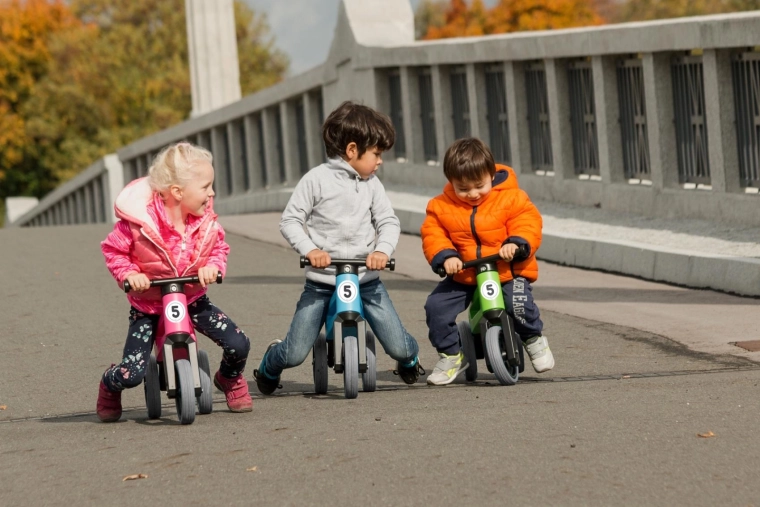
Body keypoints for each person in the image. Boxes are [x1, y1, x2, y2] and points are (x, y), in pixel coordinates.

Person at [253, 101, 424, 394]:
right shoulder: (315, 180)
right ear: (352, 150)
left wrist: (381, 251)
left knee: (400, 347)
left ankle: (409, 360)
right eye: (376, 154)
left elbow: (388, 221)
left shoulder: (372, 185)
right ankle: (271, 361)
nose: (380, 161)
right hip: (322, 283)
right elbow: (291, 220)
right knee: (294, 353)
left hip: (366, 281)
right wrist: (310, 250)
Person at [97, 142, 252, 422]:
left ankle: (229, 378)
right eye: (205, 187)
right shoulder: (138, 223)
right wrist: (129, 274)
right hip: (148, 306)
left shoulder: (205, 222)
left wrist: (212, 267)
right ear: (178, 192)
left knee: (238, 343)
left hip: (191, 299)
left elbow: (218, 248)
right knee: (132, 372)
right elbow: (114, 250)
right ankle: (110, 384)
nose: (212, 193)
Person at [421, 137, 554, 386]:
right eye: (463, 188)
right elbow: (433, 234)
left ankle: (533, 339)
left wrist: (515, 243)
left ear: (491, 175)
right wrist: (447, 256)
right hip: (464, 273)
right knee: (436, 307)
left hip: (506, 270)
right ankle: (451, 355)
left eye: (479, 185)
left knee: (519, 303)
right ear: (451, 181)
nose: (472, 193)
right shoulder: (440, 206)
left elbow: (528, 222)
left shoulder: (512, 198)